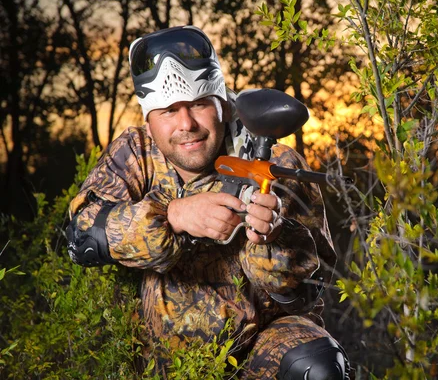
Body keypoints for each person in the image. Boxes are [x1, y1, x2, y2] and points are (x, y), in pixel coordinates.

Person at [66, 25, 349, 379]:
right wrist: (173, 216)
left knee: (317, 369)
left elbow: (306, 294)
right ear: (148, 120)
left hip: (257, 352)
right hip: (159, 358)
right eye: (168, 111)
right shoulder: (136, 151)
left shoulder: (277, 163)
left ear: (223, 104)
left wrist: (274, 237)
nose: (187, 124)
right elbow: (81, 236)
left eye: (199, 104)